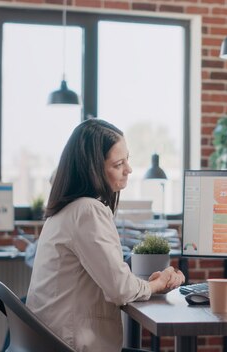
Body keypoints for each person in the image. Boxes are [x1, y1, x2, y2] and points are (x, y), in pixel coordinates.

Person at [26, 118, 185, 352]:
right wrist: (158, 284)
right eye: (118, 164)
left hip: (52, 340)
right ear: (92, 170)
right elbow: (120, 289)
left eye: (127, 160)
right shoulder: (88, 210)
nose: (129, 170)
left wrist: (143, 285)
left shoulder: (64, 211)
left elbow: (114, 279)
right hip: (70, 344)